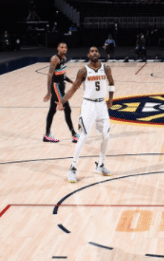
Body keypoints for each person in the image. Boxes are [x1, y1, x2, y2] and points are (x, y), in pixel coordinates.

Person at [58, 46, 115, 183]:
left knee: (106, 136)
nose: (94, 52)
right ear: (88, 54)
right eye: (92, 51)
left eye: (96, 51)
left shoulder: (106, 68)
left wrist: (111, 99)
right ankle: (73, 167)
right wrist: (62, 101)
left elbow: (112, 83)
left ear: (99, 54)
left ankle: (100, 165)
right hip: (88, 105)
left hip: (101, 105)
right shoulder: (83, 70)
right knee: (83, 136)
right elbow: (73, 88)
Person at [43, 42, 78, 143]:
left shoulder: (64, 58)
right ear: (58, 48)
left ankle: (47, 135)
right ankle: (74, 135)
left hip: (61, 86)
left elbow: (62, 74)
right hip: (56, 87)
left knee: (52, 111)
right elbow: (50, 75)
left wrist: (72, 82)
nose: (64, 49)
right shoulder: (55, 59)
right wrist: (49, 92)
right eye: (62, 47)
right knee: (67, 110)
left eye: (65, 47)